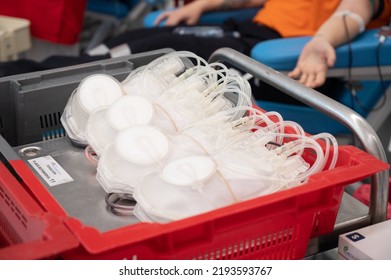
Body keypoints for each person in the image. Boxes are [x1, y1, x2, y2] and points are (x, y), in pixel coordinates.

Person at [0, 0, 390, 103]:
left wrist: (321, 42)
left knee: (137, 61)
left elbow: (354, 12)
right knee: (132, 43)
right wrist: (204, 5)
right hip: (245, 32)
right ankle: (16, 78)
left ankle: (12, 85)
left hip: (267, 55)